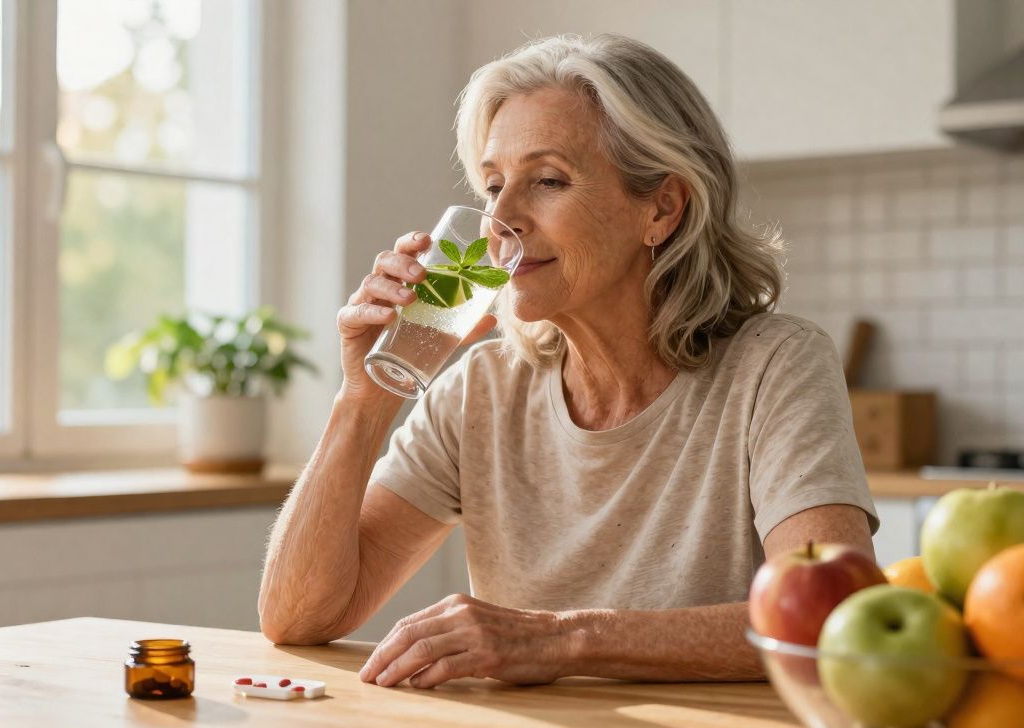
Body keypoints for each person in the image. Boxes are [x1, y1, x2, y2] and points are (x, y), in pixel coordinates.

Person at [258, 32, 877, 689]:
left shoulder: (773, 366)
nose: (500, 218)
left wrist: (563, 640)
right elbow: (297, 617)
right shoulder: (480, 391)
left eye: (548, 180)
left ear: (661, 208)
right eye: (493, 185)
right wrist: (365, 397)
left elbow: (831, 621)